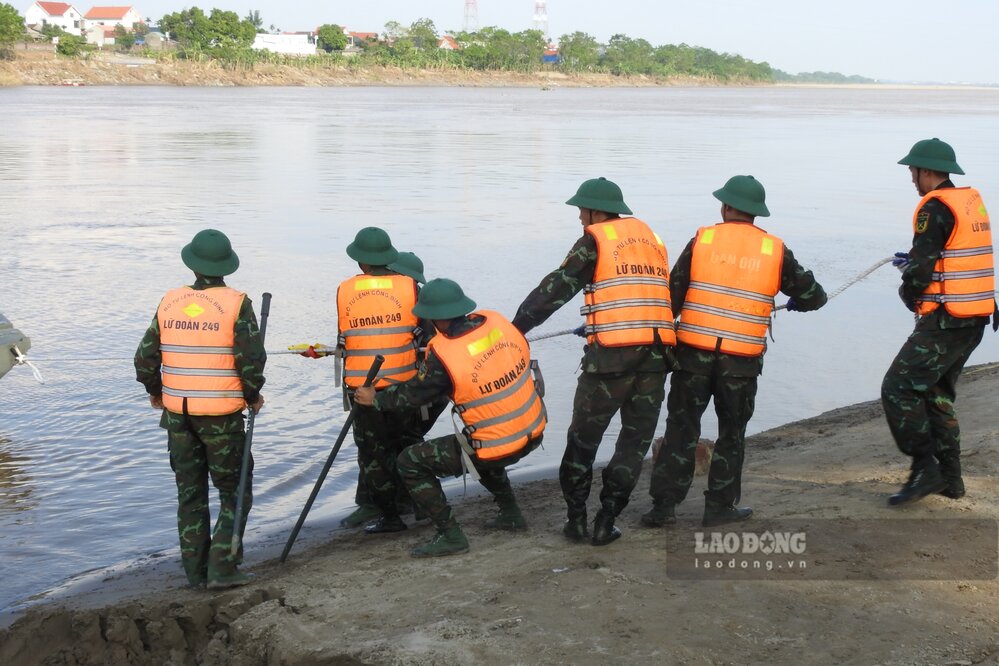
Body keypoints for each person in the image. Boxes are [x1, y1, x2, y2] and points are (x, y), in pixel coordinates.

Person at [640, 175, 826, 528]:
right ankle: (719, 507)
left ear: (725, 207)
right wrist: (797, 303)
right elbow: (814, 296)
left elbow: (671, 298)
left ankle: (663, 508)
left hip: (693, 355)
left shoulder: (703, 239)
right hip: (740, 364)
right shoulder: (774, 250)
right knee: (731, 434)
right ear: (757, 213)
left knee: (681, 429)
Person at [512, 177, 676, 546]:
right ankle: (607, 519)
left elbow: (556, 288)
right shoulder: (652, 239)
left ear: (595, 211)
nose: (580, 219)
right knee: (633, 444)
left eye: (581, 212)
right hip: (656, 359)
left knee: (583, 441)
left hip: (610, 361)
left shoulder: (596, 240)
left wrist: (515, 329)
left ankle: (576, 519)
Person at [355, 278, 547, 557]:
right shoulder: (498, 323)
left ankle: (450, 535)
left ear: (438, 320)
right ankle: (511, 514)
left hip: (499, 443)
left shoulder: (446, 354)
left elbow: (412, 395)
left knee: (410, 461)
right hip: (533, 430)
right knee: (480, 441)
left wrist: (376, 399)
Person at [134, 229, 266, 590]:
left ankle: (195, 573)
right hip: (221, 416)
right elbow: (251, 360)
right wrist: (253, 394)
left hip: (178, 415)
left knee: (190, 493)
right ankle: (222, 567)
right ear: (226, 266)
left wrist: (156, 392)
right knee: (235, 490)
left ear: (192, 264)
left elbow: (144, 359)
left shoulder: (170, 301)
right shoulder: (237, 303)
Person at [883, 138, 996, 506]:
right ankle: (951, 479)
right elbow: (952, 254)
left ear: (926, 171)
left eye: (913, 172)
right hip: (976, 315)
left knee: (898, 388)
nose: (912, 179)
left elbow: (921, 269)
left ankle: (924, 467)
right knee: (936, 393)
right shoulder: (968, 202)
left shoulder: (933, 208)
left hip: (946, 319)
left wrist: (908, 293)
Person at [333, 227, 426, 534]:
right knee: (408, 445)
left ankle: (390, 517)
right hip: (406, 386)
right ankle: (421, 504)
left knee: (374, 454)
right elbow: (425, 333)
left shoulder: (345, 290)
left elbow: (345, 338)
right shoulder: (411, 287)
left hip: (364, 389)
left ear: (361, 262)